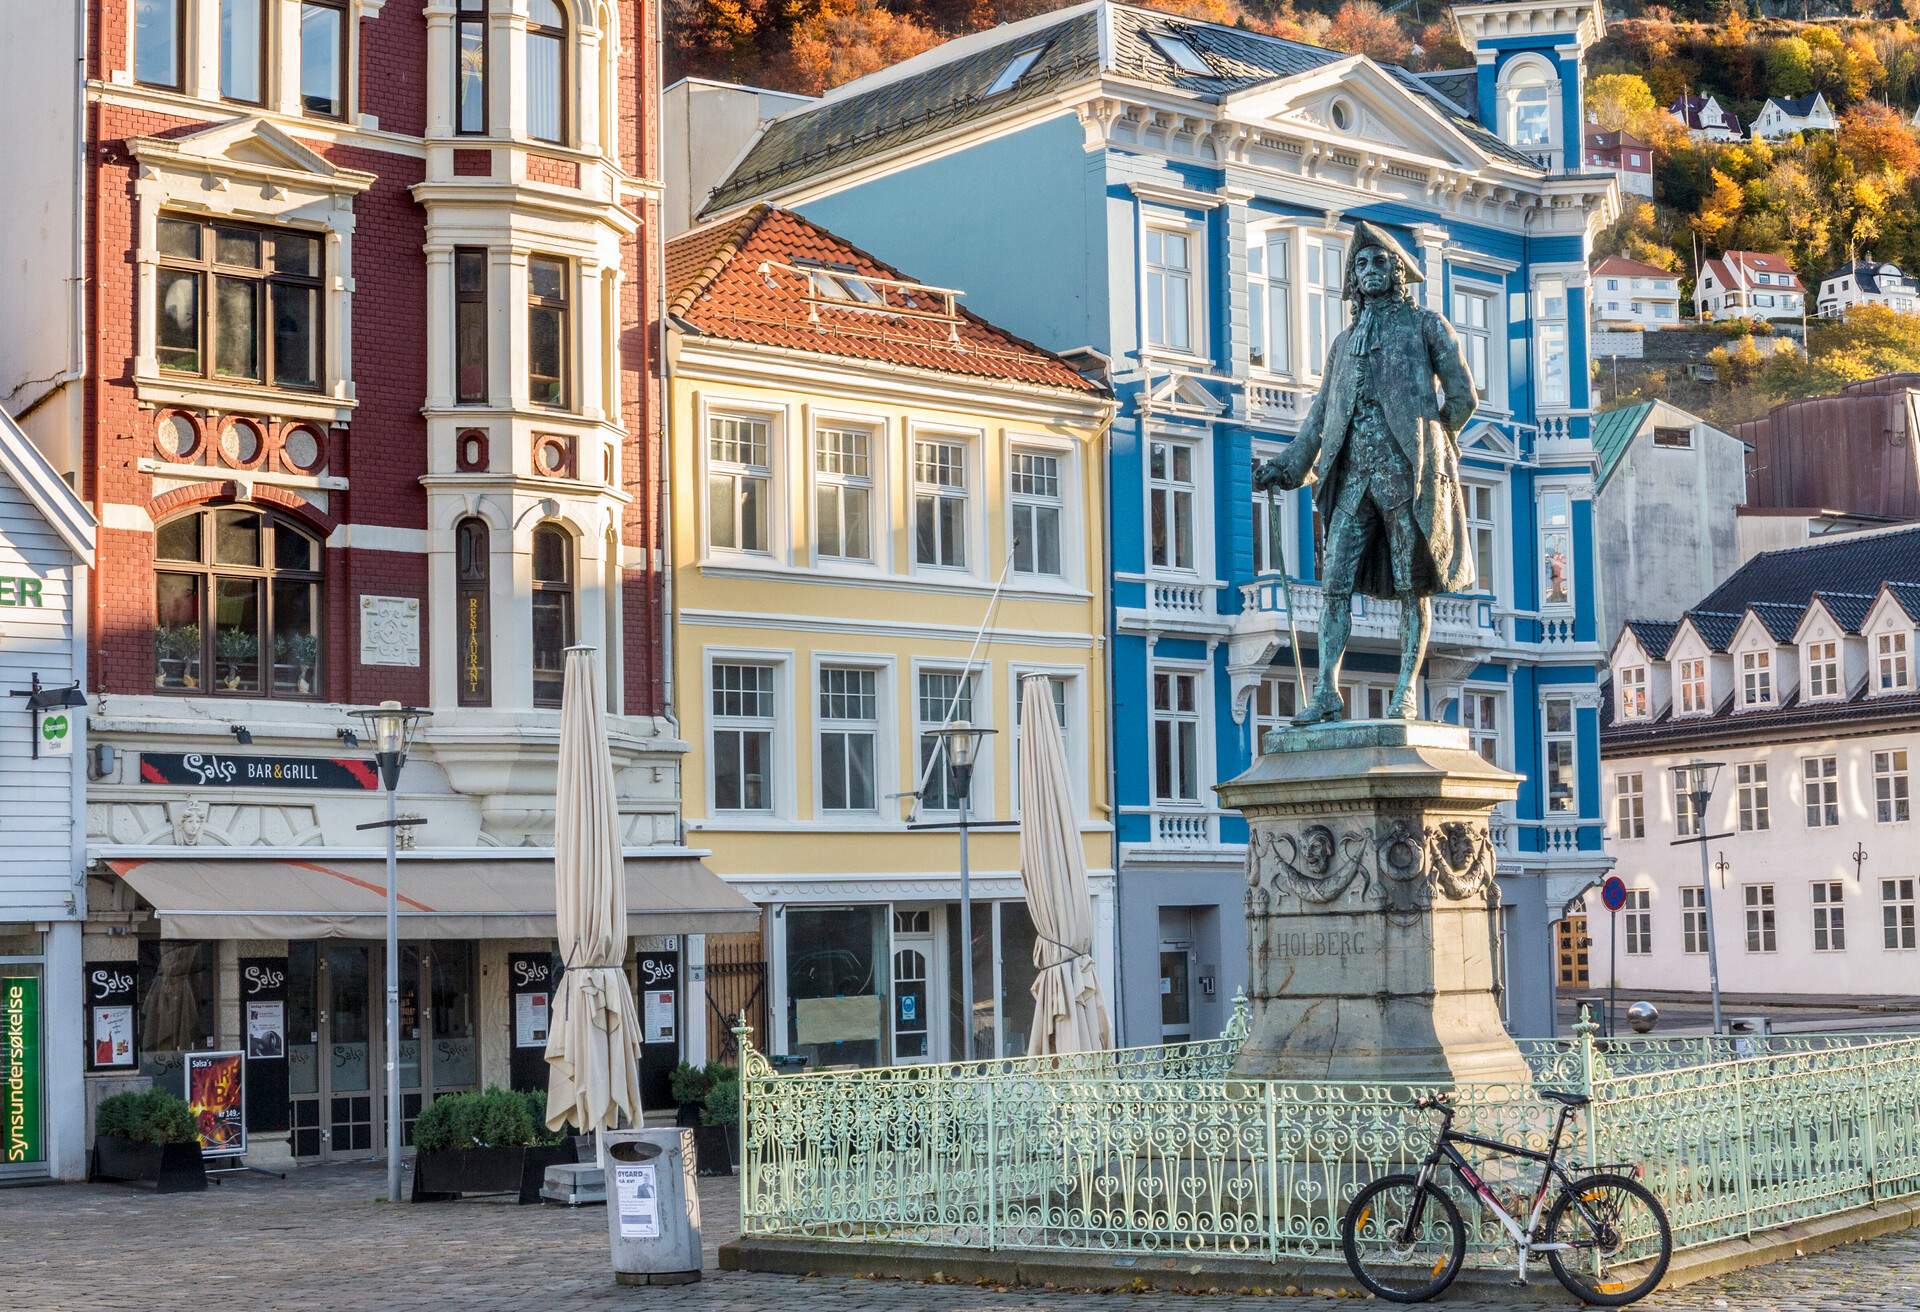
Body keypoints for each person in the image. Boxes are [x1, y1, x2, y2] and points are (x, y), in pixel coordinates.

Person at [1253, 221, 1477, 723]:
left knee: (1411, 585)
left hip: (1407, 475)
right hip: (1352, 478)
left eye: (1380, 261)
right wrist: (1286, 469)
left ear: (1398, 272)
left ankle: (1405, 692)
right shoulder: (1343, 342)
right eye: (1361, 263)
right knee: (1333, 584)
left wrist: (1434, 442)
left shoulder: (1425, 325)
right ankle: (1327, 691)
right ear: (1352, 279)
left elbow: (1463, 396)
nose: (1370, 269)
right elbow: (1319, 418)